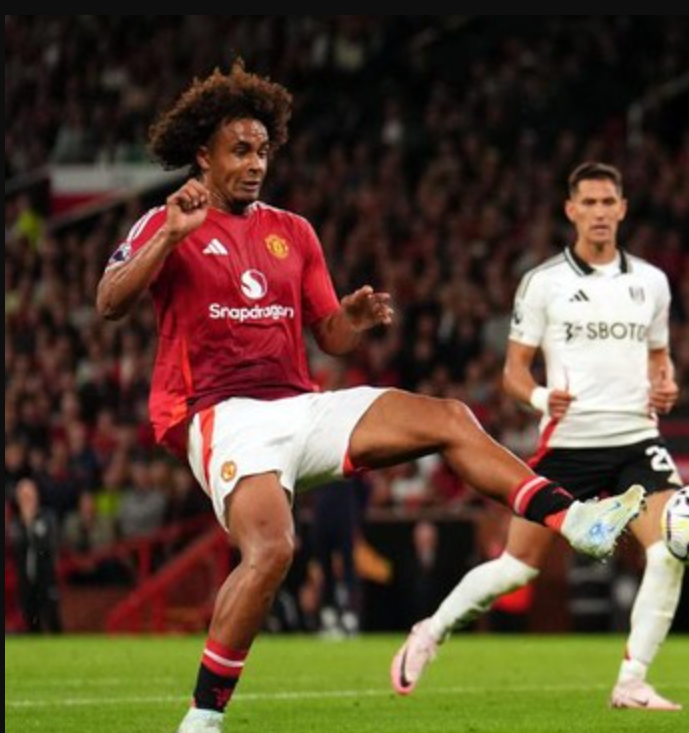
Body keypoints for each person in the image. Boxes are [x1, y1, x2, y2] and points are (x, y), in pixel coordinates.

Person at [94, 63, 645, 733]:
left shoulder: (292, 231)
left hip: (302, 404)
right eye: (240, 149)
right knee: (271, 550)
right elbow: (109, 302)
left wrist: (351, 318)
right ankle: (202, 720)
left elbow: (329, 337)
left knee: (448, 416)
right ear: (203, 153)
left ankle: (576, 521)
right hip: (221, 415)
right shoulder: (167, 218)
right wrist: (169, 237)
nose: (256, 162)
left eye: (264, 149)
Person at [392, 162, 687, 710]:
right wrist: (536, 398)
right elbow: (512, 372)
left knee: (669, 551)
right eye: (589, 203)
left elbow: (660, 359)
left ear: (623, 208)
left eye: (608, 203)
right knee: (517, 567)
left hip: (636, 439)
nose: (599, 213)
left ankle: (632, 680)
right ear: (571, 209)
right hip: (569, 442)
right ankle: (431, 630)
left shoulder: (652, 282)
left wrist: (666, 384)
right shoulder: (544, 283)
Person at [11, 478, 62, 633]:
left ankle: (61, 649)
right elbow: (17, 547)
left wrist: (30, 524)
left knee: (52, 616)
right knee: (30, 617)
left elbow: (47, 544)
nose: (27, 501)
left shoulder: (47, 518)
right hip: (25, 578)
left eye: (29, 496)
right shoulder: (15, 524)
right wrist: (26, 524)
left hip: (45, 577)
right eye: (23, 497)